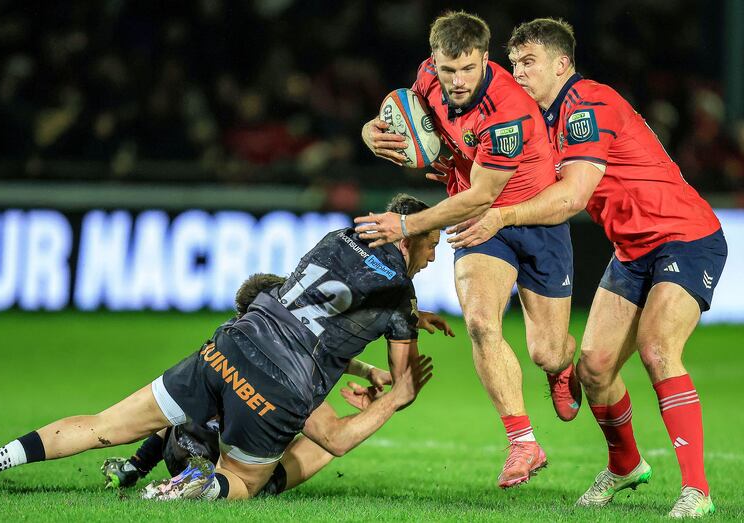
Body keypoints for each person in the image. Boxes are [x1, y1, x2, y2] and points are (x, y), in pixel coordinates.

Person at [0, 193, 442, 502]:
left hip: (231, 346)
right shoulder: (400, 294)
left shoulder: (340, 235)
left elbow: (326, 302)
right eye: (432, 243)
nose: (434, 255)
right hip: (282, 386)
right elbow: (390, 392)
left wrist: (392, 330)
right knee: (247, 483)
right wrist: (396, 393)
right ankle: (200, 485)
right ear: (410, 237)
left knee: (103, 425)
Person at [449, 18, 726, 518]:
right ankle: (625, 465)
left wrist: (502, 216)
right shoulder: (539, 119)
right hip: (632, 251)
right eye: (514, 63)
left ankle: (697, 491)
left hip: (685, 237)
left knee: (658, 349)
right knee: (594, 369)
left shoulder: (586, 106)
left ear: (562, 64)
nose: (518, 72)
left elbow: (573, 196)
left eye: (529, 62)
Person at [357, 10, 580, 489]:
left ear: (484, 58)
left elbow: (483, 194)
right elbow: (399, 114)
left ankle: (563, 368)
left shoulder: (508, 109)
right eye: (447, 69)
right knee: (480, 322)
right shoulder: (427, 78)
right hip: (482, 226)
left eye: (467, 69)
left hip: (534, 217)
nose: (457, 81)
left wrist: (406, 225)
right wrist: (370, 132)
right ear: (434, 61)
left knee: (547, 352)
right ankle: (523, 442)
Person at [101, 274, 449, 495]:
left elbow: (169, 416)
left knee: (182, 402)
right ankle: (218, 487)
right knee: (314, 437)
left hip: (182, 450)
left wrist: (137, 464)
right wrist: (382, 401)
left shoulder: (224, 343)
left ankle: (142, 470)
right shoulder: (280, 365)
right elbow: (332, 432)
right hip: (225, 466)